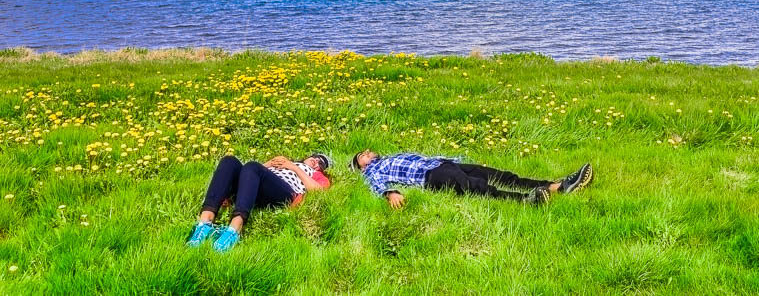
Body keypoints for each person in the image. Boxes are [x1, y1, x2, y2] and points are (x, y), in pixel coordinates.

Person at [186, 153, 332, 251]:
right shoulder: (285, 161)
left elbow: (318, 191)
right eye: (316, 157)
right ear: (306, 157)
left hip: (283, 192)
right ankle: (204, 224)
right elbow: (249, 174)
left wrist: (293, 167)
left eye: (322, 163)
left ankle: (234, 230)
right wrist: (267, 164)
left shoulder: (315, 174)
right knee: (229, 161)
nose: (317, 161)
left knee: (253, 166)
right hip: (258, 184)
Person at [350, 150, 591, 208]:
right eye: (363, 155)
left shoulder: (391, 156)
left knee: (498, 175)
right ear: (360, 166)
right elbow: (375, 185)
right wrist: (390, 193)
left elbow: (424, 158)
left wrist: (454, 159)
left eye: (368, 151)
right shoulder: (372, 172)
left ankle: (557, 186)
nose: (368, 153)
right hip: (431, 177)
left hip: (442, 165)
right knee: (475, 187)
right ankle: (527, 201)